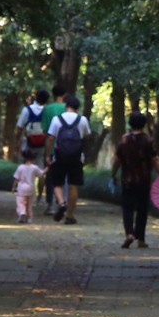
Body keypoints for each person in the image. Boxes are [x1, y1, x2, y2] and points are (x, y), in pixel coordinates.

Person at [114, 110, 159, 249]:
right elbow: (155, 159)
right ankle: (141, 239)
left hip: (127, 180)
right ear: (144, 124)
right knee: (142, 209)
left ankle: (129, 234)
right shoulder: (148, 140)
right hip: (144, 179)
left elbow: (117, 159)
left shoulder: (124, 139)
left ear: (130, 123)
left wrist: (113, 174)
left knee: (128, 208)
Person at [45, 93, 91, 225]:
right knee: (73, 185)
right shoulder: (82, 120)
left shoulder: (57, 119)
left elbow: (50, 138)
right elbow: (87, 135)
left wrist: (48, 154)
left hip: (60, 156)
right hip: (76, 157)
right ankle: (70, 215)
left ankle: (61, 202)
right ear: (77, 107)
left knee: (57, 182)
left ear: (66, 106)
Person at [36, 85, 67, 214]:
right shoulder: (68, 108)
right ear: (64, 94)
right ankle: (62, 202)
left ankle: (50, 205)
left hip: (52, 146)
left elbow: (44, 131)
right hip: (66, 147)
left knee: (50, 176)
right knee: (64, 176)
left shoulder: (47, 109)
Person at [15, 89, 50, 164]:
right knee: (39, 165)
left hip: (28, 143)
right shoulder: (47, 111)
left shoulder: (27, 109)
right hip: (42, 143)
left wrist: (17, 142)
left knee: (25, 164)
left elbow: (19, 128)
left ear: (36, 97)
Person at [12, 156, 43, 223]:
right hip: (31, 188)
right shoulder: (34, 167)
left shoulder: (20, 167)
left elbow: (16, 179)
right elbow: (41, 174)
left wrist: (13, 187)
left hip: (21, 188)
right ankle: (29, 218)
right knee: (29, 204)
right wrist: (48, 167)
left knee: (20, 202)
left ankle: (22, 213)